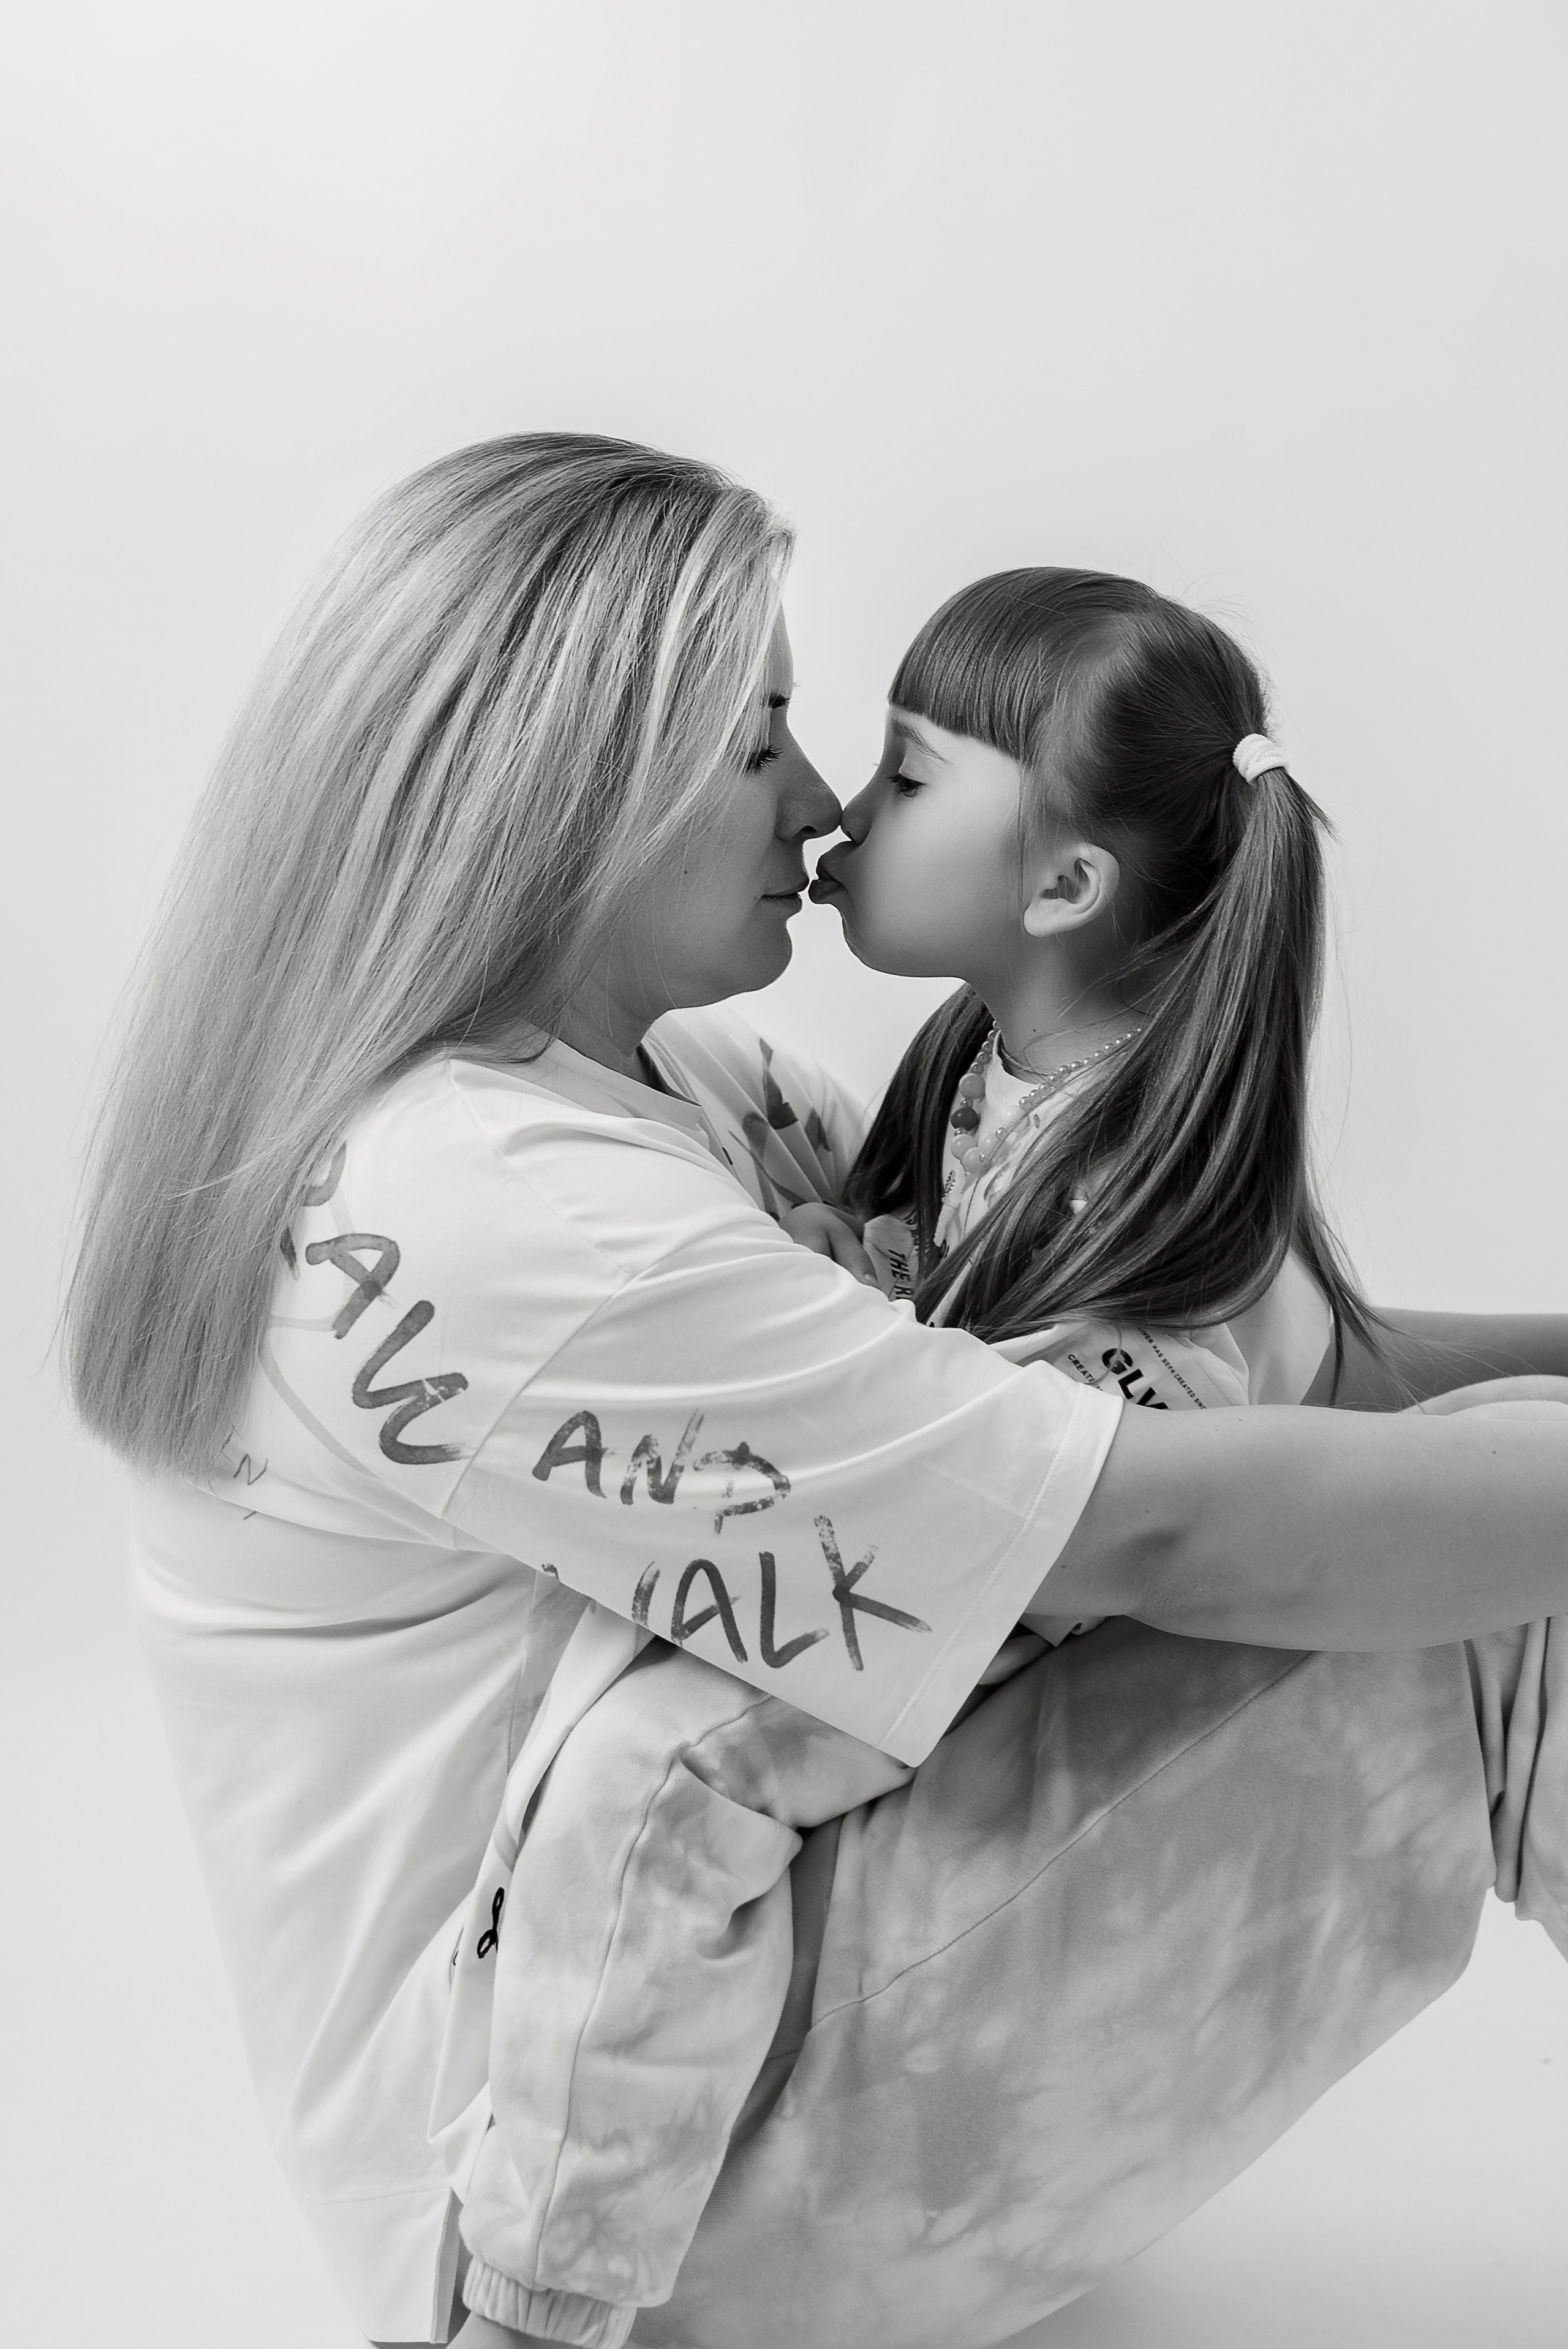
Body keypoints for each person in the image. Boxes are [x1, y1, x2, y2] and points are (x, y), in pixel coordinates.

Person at [62, 434, 1568, 2349]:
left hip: (705, 2045)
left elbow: (1236, 1369)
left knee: (1475, 1505)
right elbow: (1158, 1508)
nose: (822, 797)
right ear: (583, 785)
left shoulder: (677, 1096)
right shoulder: (505, 1214)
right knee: (1513, 1595)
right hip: (605, 2209)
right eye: (763, 732)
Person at [443, 564, 1568, 2345]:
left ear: (1060, 881)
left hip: (1057, 1528)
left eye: (901, 774)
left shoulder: (1124, 1137)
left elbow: (1140, 1440)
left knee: (650, 1768)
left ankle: (529, 2304)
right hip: (1008, 1525)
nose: (832, 808)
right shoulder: (983, 1057)